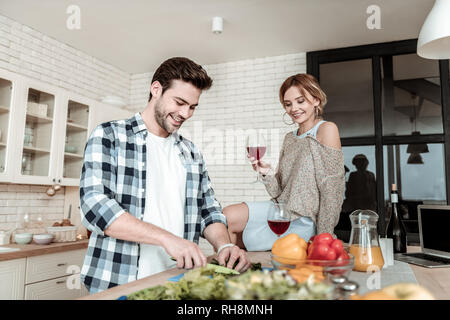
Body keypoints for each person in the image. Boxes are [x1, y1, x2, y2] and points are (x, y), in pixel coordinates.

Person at [79, 57, 250, 293]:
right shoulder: (110, 136)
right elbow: (95, 207)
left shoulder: (191, 153)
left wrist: (224, 245)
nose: (186, 113)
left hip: (177, 283)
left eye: (192, 107)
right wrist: (167, 239)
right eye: (179, 102)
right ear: (156, 89)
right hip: (118, 281)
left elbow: (208, 210)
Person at [223, 74, 345, 251]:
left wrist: (323, 238)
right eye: (288, 104)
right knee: (225, 218)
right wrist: (265, 173)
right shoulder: (290, 138)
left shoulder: (326, 130)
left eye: (300, 101)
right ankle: (233, 270)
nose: (294, 108)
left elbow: (332, 189)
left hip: (303, 219)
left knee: (242, 240)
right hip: (279, 210)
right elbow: (278, 191)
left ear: (316, 100)